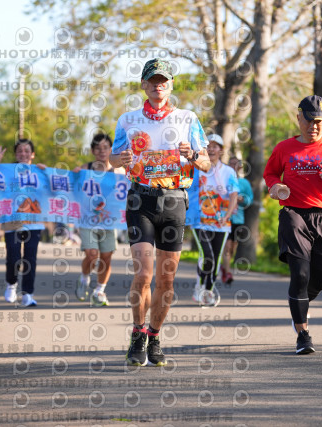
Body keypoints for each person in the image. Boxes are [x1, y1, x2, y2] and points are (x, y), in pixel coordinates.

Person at [110, 58, 211, 366]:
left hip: (174, 201)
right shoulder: (128, 120)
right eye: (153, 80)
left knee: (166, 280)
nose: (159, 85)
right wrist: (120, 159)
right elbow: (113, 159)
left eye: (163, 80)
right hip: (140, 200)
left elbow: (206, 163)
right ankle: (138, 332)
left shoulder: (187, 118)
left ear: (171, 85)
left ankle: (154, 336)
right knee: (143, 273)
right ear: (144, 84)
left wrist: (193, 155)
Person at [263, 95, 322, 354]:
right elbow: (270, 173)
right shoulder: (284, 148)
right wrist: (275, 186)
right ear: (298, 118)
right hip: (293, 213)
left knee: (318, 279)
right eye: (309, 120)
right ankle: (303, 334)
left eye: (319, 122)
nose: (314, 126)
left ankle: (299, 305)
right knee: (300, 275)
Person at [0, 139, 47, 307]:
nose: (23, 154)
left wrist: (47, 173)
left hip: (34, 220)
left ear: (33, 154)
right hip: (12, 219)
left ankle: (27, 294)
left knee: (30, 258)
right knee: (13, 257)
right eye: (20, 151)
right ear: (16, 155)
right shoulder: (8, 171)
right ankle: (11, 284)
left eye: (27, 151)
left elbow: (53, 190)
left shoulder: (39, 172)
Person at [73, 133, 124, 307]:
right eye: (98, 148)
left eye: (105, 148)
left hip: (110, 221)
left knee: (106, 256)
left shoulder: (120, 172)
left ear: (111, 150)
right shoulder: (85, 170)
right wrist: (73, 176)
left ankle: (99, 291)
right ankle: (84, 278)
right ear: (93, 151)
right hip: (87, 220)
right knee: (92, 255)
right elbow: (71, 187)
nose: (102, 151)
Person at [191, 134, 239, 307]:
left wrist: (227, 215)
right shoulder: (196, 169)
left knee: (216, 258)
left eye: (215, 146)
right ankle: (200, 288)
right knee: (207, 255)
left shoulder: (228, 172)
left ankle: (207, 290)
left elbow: (234, 195)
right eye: (208, 146)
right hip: (199, 220)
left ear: (221, 150)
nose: (211, 149)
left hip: (221, 222)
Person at [221, 156, 254, 284]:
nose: (233, 166)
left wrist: (242, 199)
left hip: (238, 219)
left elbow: (249, 199)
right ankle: (228, 272)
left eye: (236, 164)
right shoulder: (222, 180)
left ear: (240, 167)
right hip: (225, 217)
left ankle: (224, 266)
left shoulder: (244, 183)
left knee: (232, 248)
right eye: (231, 163)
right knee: (227, 246)